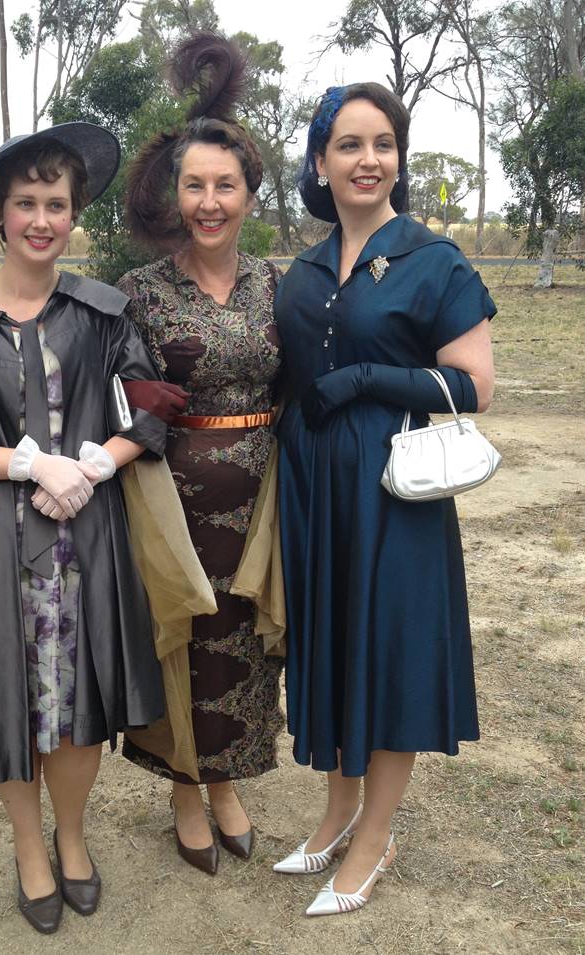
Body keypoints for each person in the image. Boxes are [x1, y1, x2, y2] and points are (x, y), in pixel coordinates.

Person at [0, 124, 167, 934]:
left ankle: (74, 836)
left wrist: (90, 466)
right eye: (27, 204)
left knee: (75, 700)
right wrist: (25, 465)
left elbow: (151, 408)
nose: (42, 219)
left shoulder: (100, 312)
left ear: (74, 213)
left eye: (57, 203)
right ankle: (28, 845)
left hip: (83, 544)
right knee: (10, 701)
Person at [272, 83, 496, 916]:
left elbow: (475, 385)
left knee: (389, 649)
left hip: (391, 485)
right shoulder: (297, 269)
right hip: (310, 483)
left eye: (383, 144)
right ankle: (335, 813)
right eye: (349, 145)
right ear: (320, 160)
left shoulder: (434, 260)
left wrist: (367, 378)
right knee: (330, 644)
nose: (368, 161)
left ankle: (375, 834)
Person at [116, 33, 284, 875]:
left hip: (262, 502)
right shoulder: (140, 294)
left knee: (245, 639)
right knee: (184, 635)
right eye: (195, 186)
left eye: (226, 186)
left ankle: (228, 783)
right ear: (173, 194)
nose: (210, 201)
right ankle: (186, 782)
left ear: (249, 194)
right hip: (170, 501)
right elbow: (111, 398)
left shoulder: (273, 284)